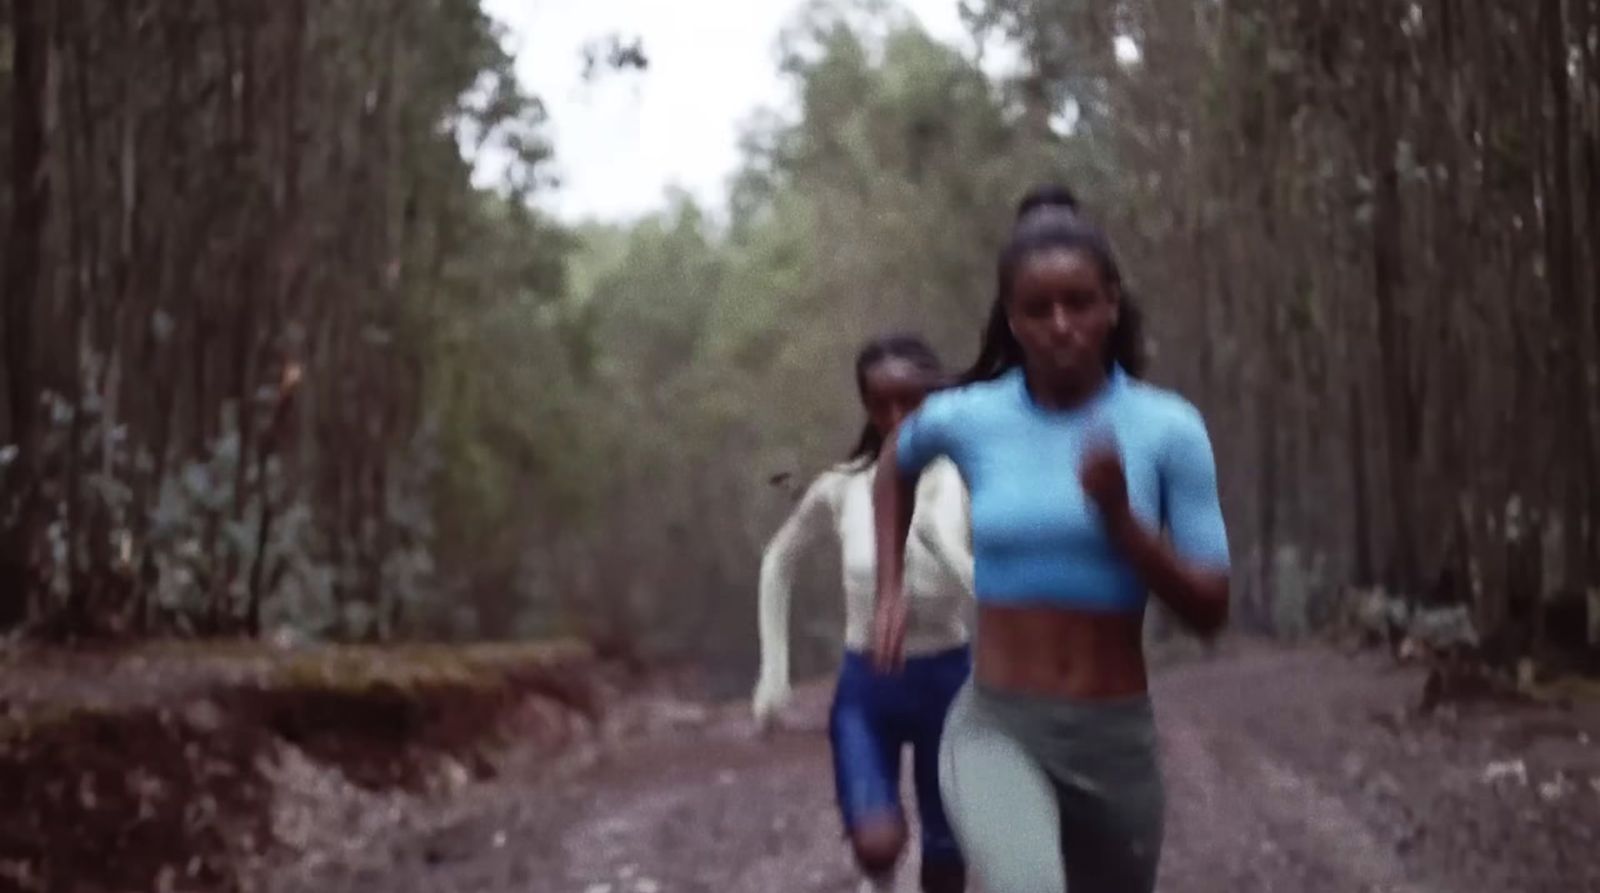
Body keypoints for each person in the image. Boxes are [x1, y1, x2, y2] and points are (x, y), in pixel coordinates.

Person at [872, 194, 1230, 893]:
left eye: (1080, 302)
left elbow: (1211, 608)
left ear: (1112, 305)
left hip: (1115, 741)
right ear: (1012, 318)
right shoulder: (971, 417)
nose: (1061, 325)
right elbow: (895, 463)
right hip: (999, 726)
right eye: (1039, 309)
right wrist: (891, 584)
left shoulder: (1169, 430)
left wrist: (1122, 521)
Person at [754, 333, 974, 893]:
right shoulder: (841, 488)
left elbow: (1002, 594)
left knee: (947, 860)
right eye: (881, 405)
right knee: (878, 842)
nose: (897, 417)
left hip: (949, 683)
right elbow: (779, 560)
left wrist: (943, 548)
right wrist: (773, 674)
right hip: (868, 688)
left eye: (912, 401)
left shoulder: (967, 480)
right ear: (868, 409)